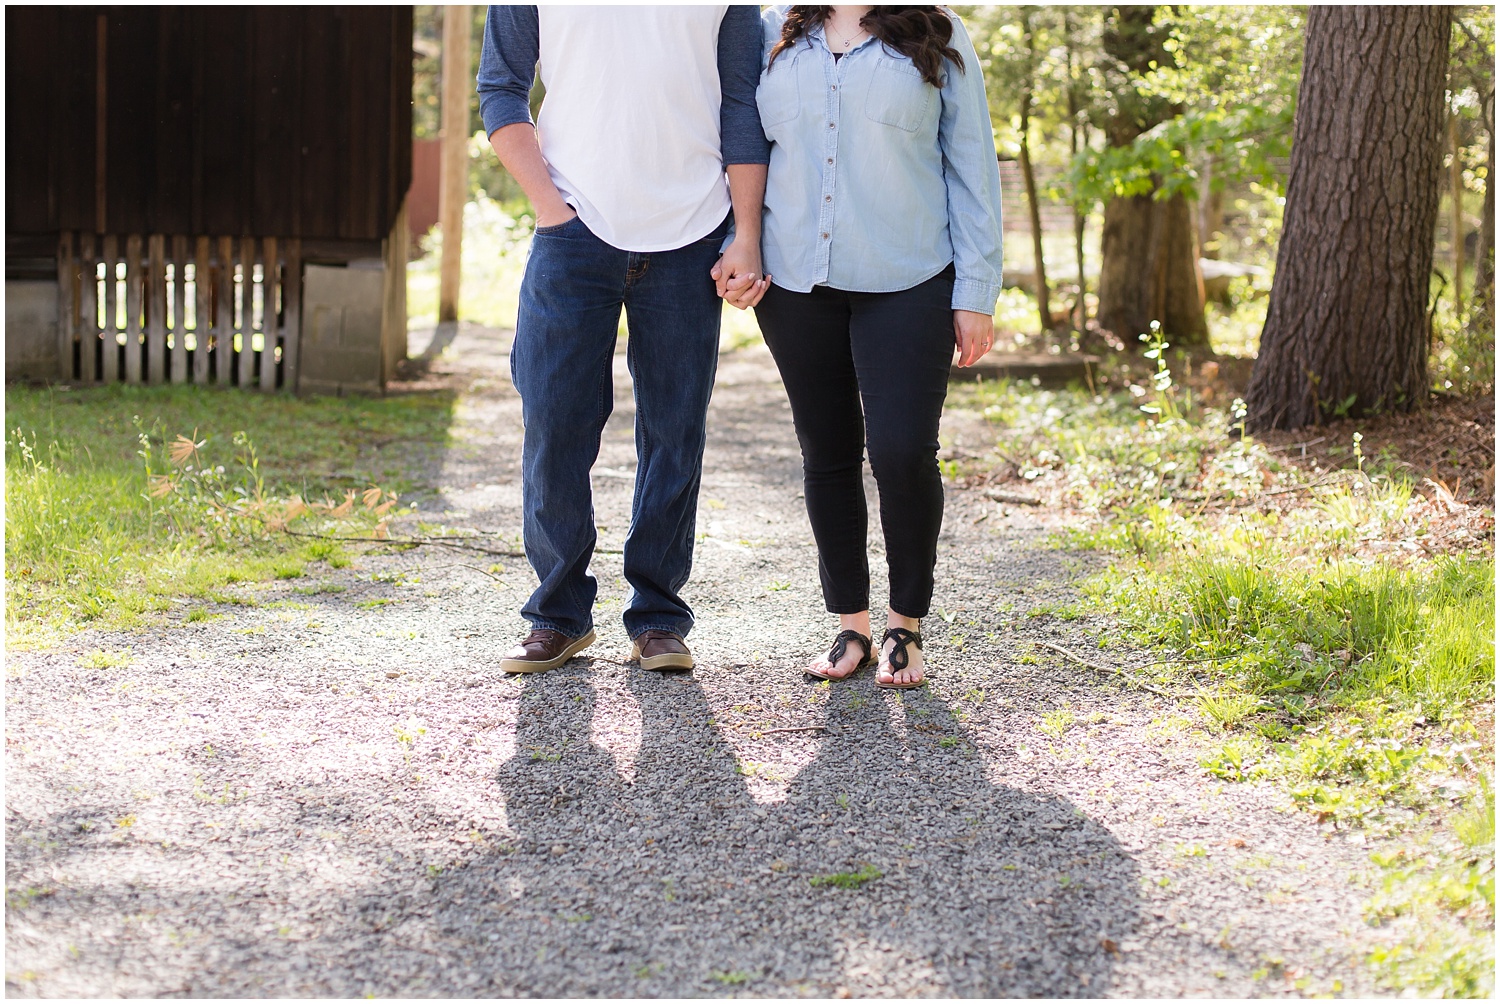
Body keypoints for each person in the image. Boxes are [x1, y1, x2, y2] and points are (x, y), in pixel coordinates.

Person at [477, 6, 772, 674]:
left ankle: (659, 615)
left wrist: (745, 232)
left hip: (691, 231)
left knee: (674, 431)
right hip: (573, 235)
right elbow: (500, 89)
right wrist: (551, 209)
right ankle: (557, 614)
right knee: (555, 424)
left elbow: (741, 104)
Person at [733, 4, 1003, 689]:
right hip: (795, 278)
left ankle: (904, 626)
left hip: (909, 274)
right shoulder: (770, 32)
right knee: (826, 453)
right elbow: (740, 145)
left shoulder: (936, 31)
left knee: (901, 451)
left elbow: (971, 164)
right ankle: (849, 625)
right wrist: (736, 245)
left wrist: (975, 290)